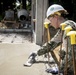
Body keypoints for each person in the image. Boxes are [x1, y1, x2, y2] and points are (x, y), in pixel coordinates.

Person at [23, 4, 76, 74]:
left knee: (62, 52)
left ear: (56, 16)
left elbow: (72, 55)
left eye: (50, 20)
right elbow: (51, 44)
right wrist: (37, 53)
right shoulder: (64, 28)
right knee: (61, 52)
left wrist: (60, 69)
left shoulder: (69, 28)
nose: (50, 23)